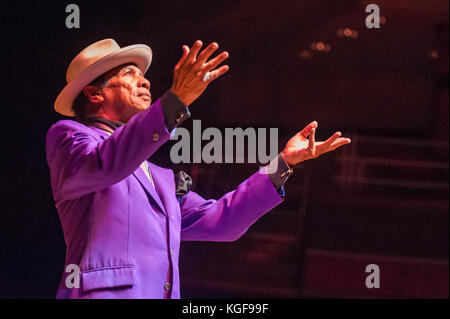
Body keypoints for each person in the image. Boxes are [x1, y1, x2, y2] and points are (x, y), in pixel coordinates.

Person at [46, 38, 351, 299]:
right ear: (94, 93)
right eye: (129, 73)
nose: (146, 81)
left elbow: (223, 222)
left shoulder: (161, 179)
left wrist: (282, 164)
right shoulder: (70, 138)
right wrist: (176, 101)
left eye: (143, 75)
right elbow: (108, 162)